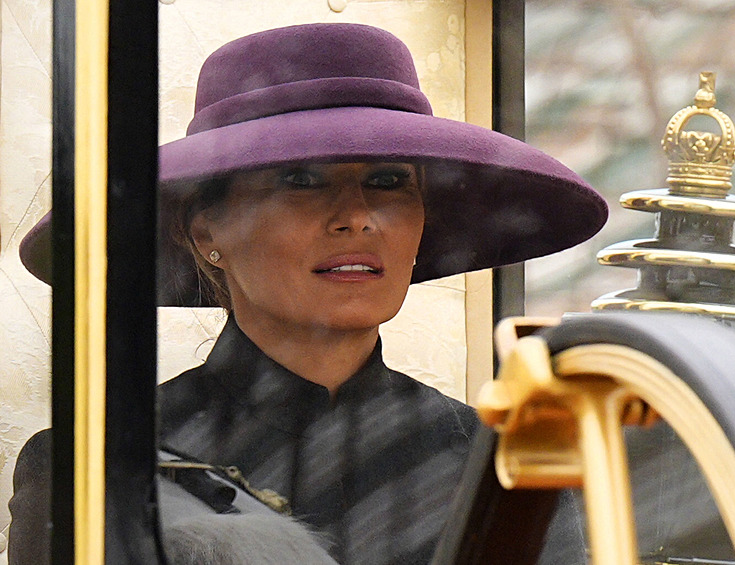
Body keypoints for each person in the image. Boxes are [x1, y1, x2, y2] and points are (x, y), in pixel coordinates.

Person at [9, 23, 607, 564]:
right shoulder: (93, 468)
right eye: (300, 180)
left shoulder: (503, 469)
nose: (357, 217)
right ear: (206, 231)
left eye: (388, 181)